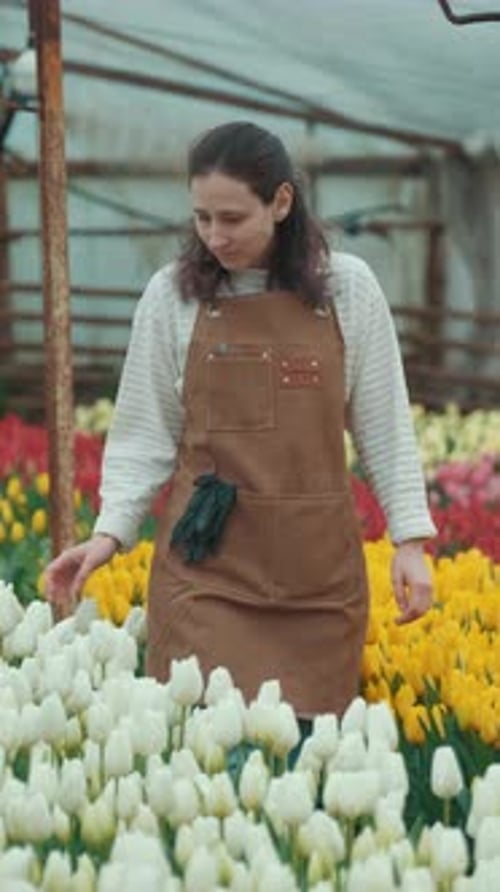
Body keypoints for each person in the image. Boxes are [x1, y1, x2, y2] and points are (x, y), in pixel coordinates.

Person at [45, 121, 435, 718]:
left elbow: (383, 422)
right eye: (202, 218)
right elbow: (145, 432)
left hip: (317, 581)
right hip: (207, 573)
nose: (214, 236)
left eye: (231, 218)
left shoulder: (346, 289)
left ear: (281, 202)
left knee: (306, 770)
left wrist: (409, 538)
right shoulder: (172, 296)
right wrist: (110, 533)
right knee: (202, 766)